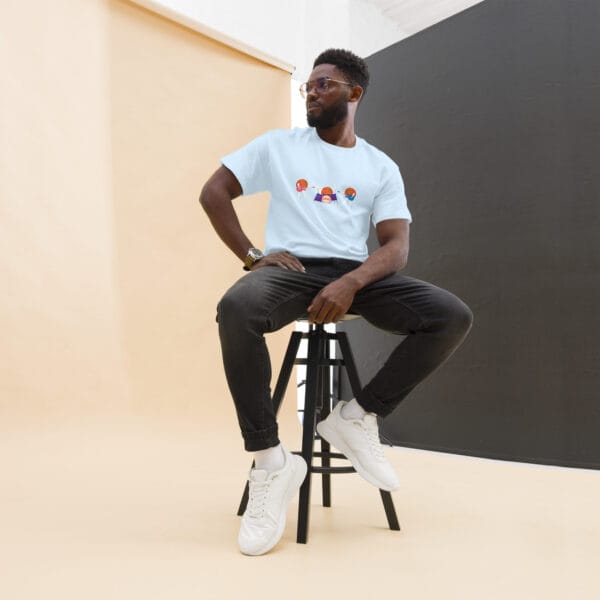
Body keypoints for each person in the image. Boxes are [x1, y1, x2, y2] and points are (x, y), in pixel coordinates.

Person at [200, 48, 473, 556]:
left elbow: (396, 247)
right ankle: (270, 462)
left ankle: (355, 416)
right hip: (292, 271)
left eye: (323, 84)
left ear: (354, 93)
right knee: (236, 309)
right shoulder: (279, 146)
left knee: (450, 316)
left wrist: (351, 283)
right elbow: (214, 192)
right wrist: (254, 256)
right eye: (308, 85)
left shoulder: (379, 166)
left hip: (355, 273)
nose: (311, 91)